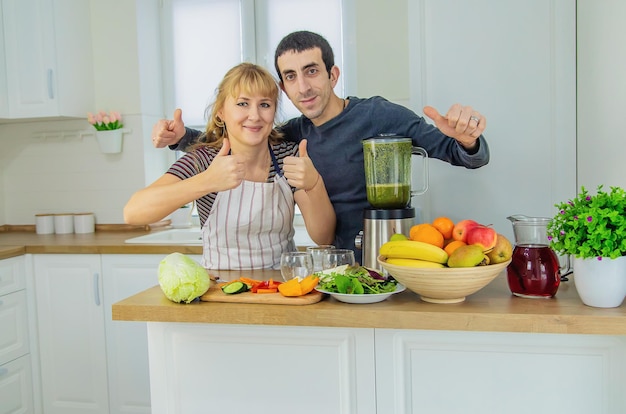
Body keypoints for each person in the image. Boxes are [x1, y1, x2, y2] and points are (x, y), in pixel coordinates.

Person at [151, 31, 490, 261]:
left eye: (311, 71)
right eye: (291, 76)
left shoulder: (377, 114)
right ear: (283, 88)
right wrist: (181, 138)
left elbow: (459, 153)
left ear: (333, 75)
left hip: (394, 255)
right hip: (334, 266)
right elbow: (242, 141)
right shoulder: (293, 136)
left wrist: (467, 139)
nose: (303, 87)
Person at [125, 62, 335, 270]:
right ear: (221, 112)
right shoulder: (204, 160)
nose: (254, 115)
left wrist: (314, 184)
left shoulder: (287, 156)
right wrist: (206, 181)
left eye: (265, 104)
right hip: (220, 294)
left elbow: (323, 238)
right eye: (242, 103)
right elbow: (133, 212)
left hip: (279, 291)